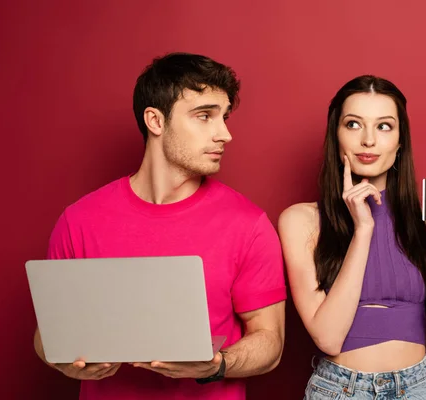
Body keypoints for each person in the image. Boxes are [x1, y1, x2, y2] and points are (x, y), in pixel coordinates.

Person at [32, 52, 286, 400]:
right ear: (155, 120)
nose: (224, 134)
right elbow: (46, 335)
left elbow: (271, 341)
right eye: (204, 116)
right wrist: (63, 361)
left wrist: (216, 365)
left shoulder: (250, 224)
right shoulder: (78, 221)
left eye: (224, 117)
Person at [278, 75, 426, 399]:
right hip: (341, 389)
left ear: (400, 143)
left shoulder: (425, 222)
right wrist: (363, 229)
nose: (368, 140)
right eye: (354, 124)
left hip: (419, 388)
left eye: (384, 126)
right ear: (336, 136)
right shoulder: (302, 220)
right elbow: (328, 338)